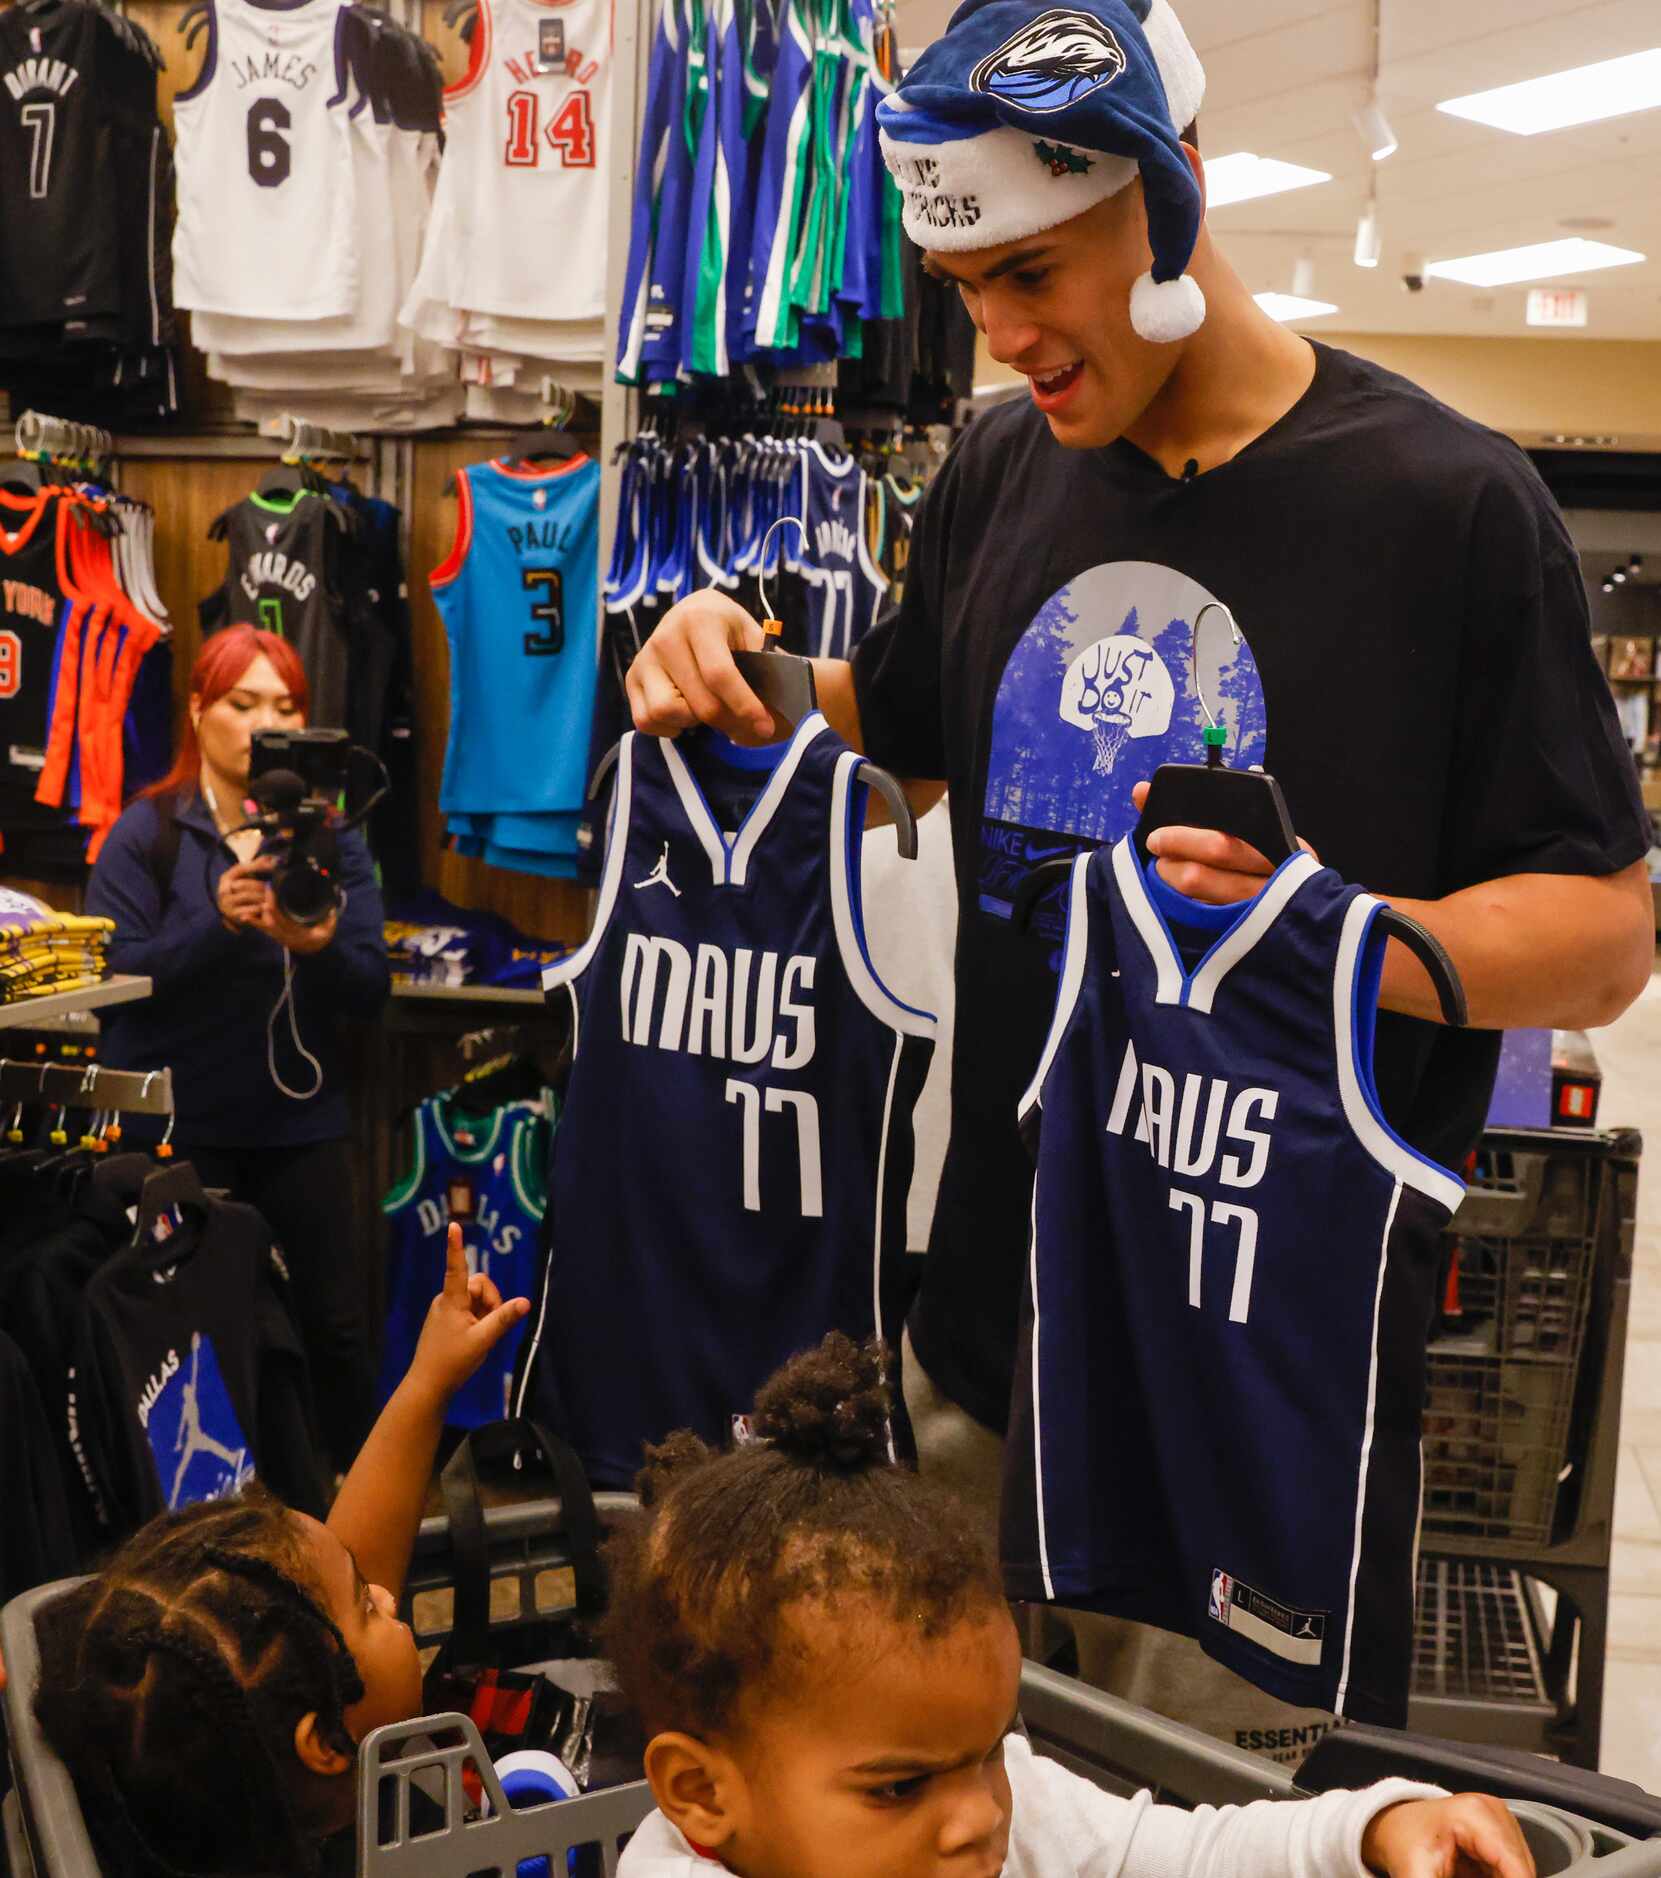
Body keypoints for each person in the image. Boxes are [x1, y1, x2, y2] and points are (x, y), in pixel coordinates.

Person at [620, 0, 1654, 1758]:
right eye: (965, 290)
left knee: (1212, 1837)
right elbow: (915, 738)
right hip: (981, 1355)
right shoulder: (1009, 468)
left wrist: (1325, 943)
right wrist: (746, 667)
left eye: (1034, 271)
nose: (1005, 335)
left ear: (1164, 210)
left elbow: (1606, 930)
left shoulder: (1448, 508)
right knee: (946, 1809)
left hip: (1253, 1384)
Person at [603, 1335, 1534, 1878]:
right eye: (897, 1787)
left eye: (987, 1755)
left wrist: (1367, 1831)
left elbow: (1181, 1857)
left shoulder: (995, 1801)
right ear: (700, 1794)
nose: (979, 1821)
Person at [32, 1226, 529, 1878]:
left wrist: (428, 1382)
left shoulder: (251, 1798)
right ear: (323, 1744)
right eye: (366, 1608)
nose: (385, 1593)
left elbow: (332, 1602)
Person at [87, 626, 391, 1471]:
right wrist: (216, 926)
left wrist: (317, 946)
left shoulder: (332, 838)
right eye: (242, 702)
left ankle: (353, 1512)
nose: (263, 724)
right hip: (183, 1126)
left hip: (299, 1125)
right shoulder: (146, 832)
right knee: (186, 1329)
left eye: (285, 706)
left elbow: (371, 988)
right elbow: (117, 972)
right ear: (197, 711)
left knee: (332, 1328)